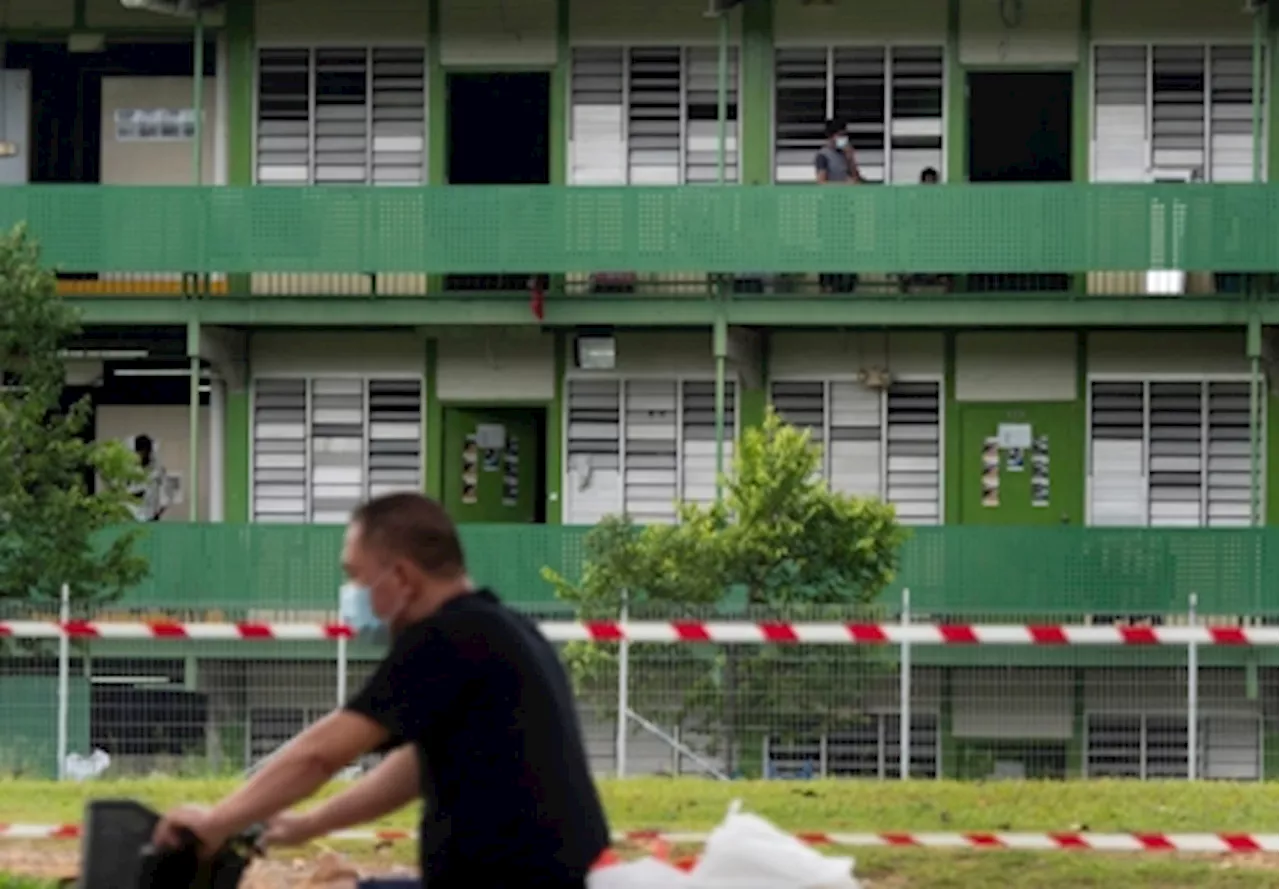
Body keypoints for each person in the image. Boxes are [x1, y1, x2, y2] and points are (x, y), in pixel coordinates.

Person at [152, 492, 611, 889]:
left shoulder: (446, 637)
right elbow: (412, 769)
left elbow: (321, 754)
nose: (351, 593)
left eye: (356, 576)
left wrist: (215, 821)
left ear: (402, 579)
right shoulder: (505, 629)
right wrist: (309, 824)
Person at [815, 119, 860, 294]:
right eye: (840, 135)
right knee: (830, 247)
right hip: (830, 210)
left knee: (847, 247)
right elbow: (821, 182)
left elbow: (856, 177)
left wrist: (851, 159)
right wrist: (843, 186)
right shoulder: (823, 156)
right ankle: (828, 283)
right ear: (831, 137)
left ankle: (847, 283)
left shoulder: (844, 155)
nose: (844, 139)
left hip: (846, 210)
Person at [128, 434, 171, 522]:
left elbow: (166, 496)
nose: (143, 454)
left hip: (150, 517)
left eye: (146, 451)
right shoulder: (128, 470)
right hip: (131, 518)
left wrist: (158, 514)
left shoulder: (158, 471)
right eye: (140, 451)